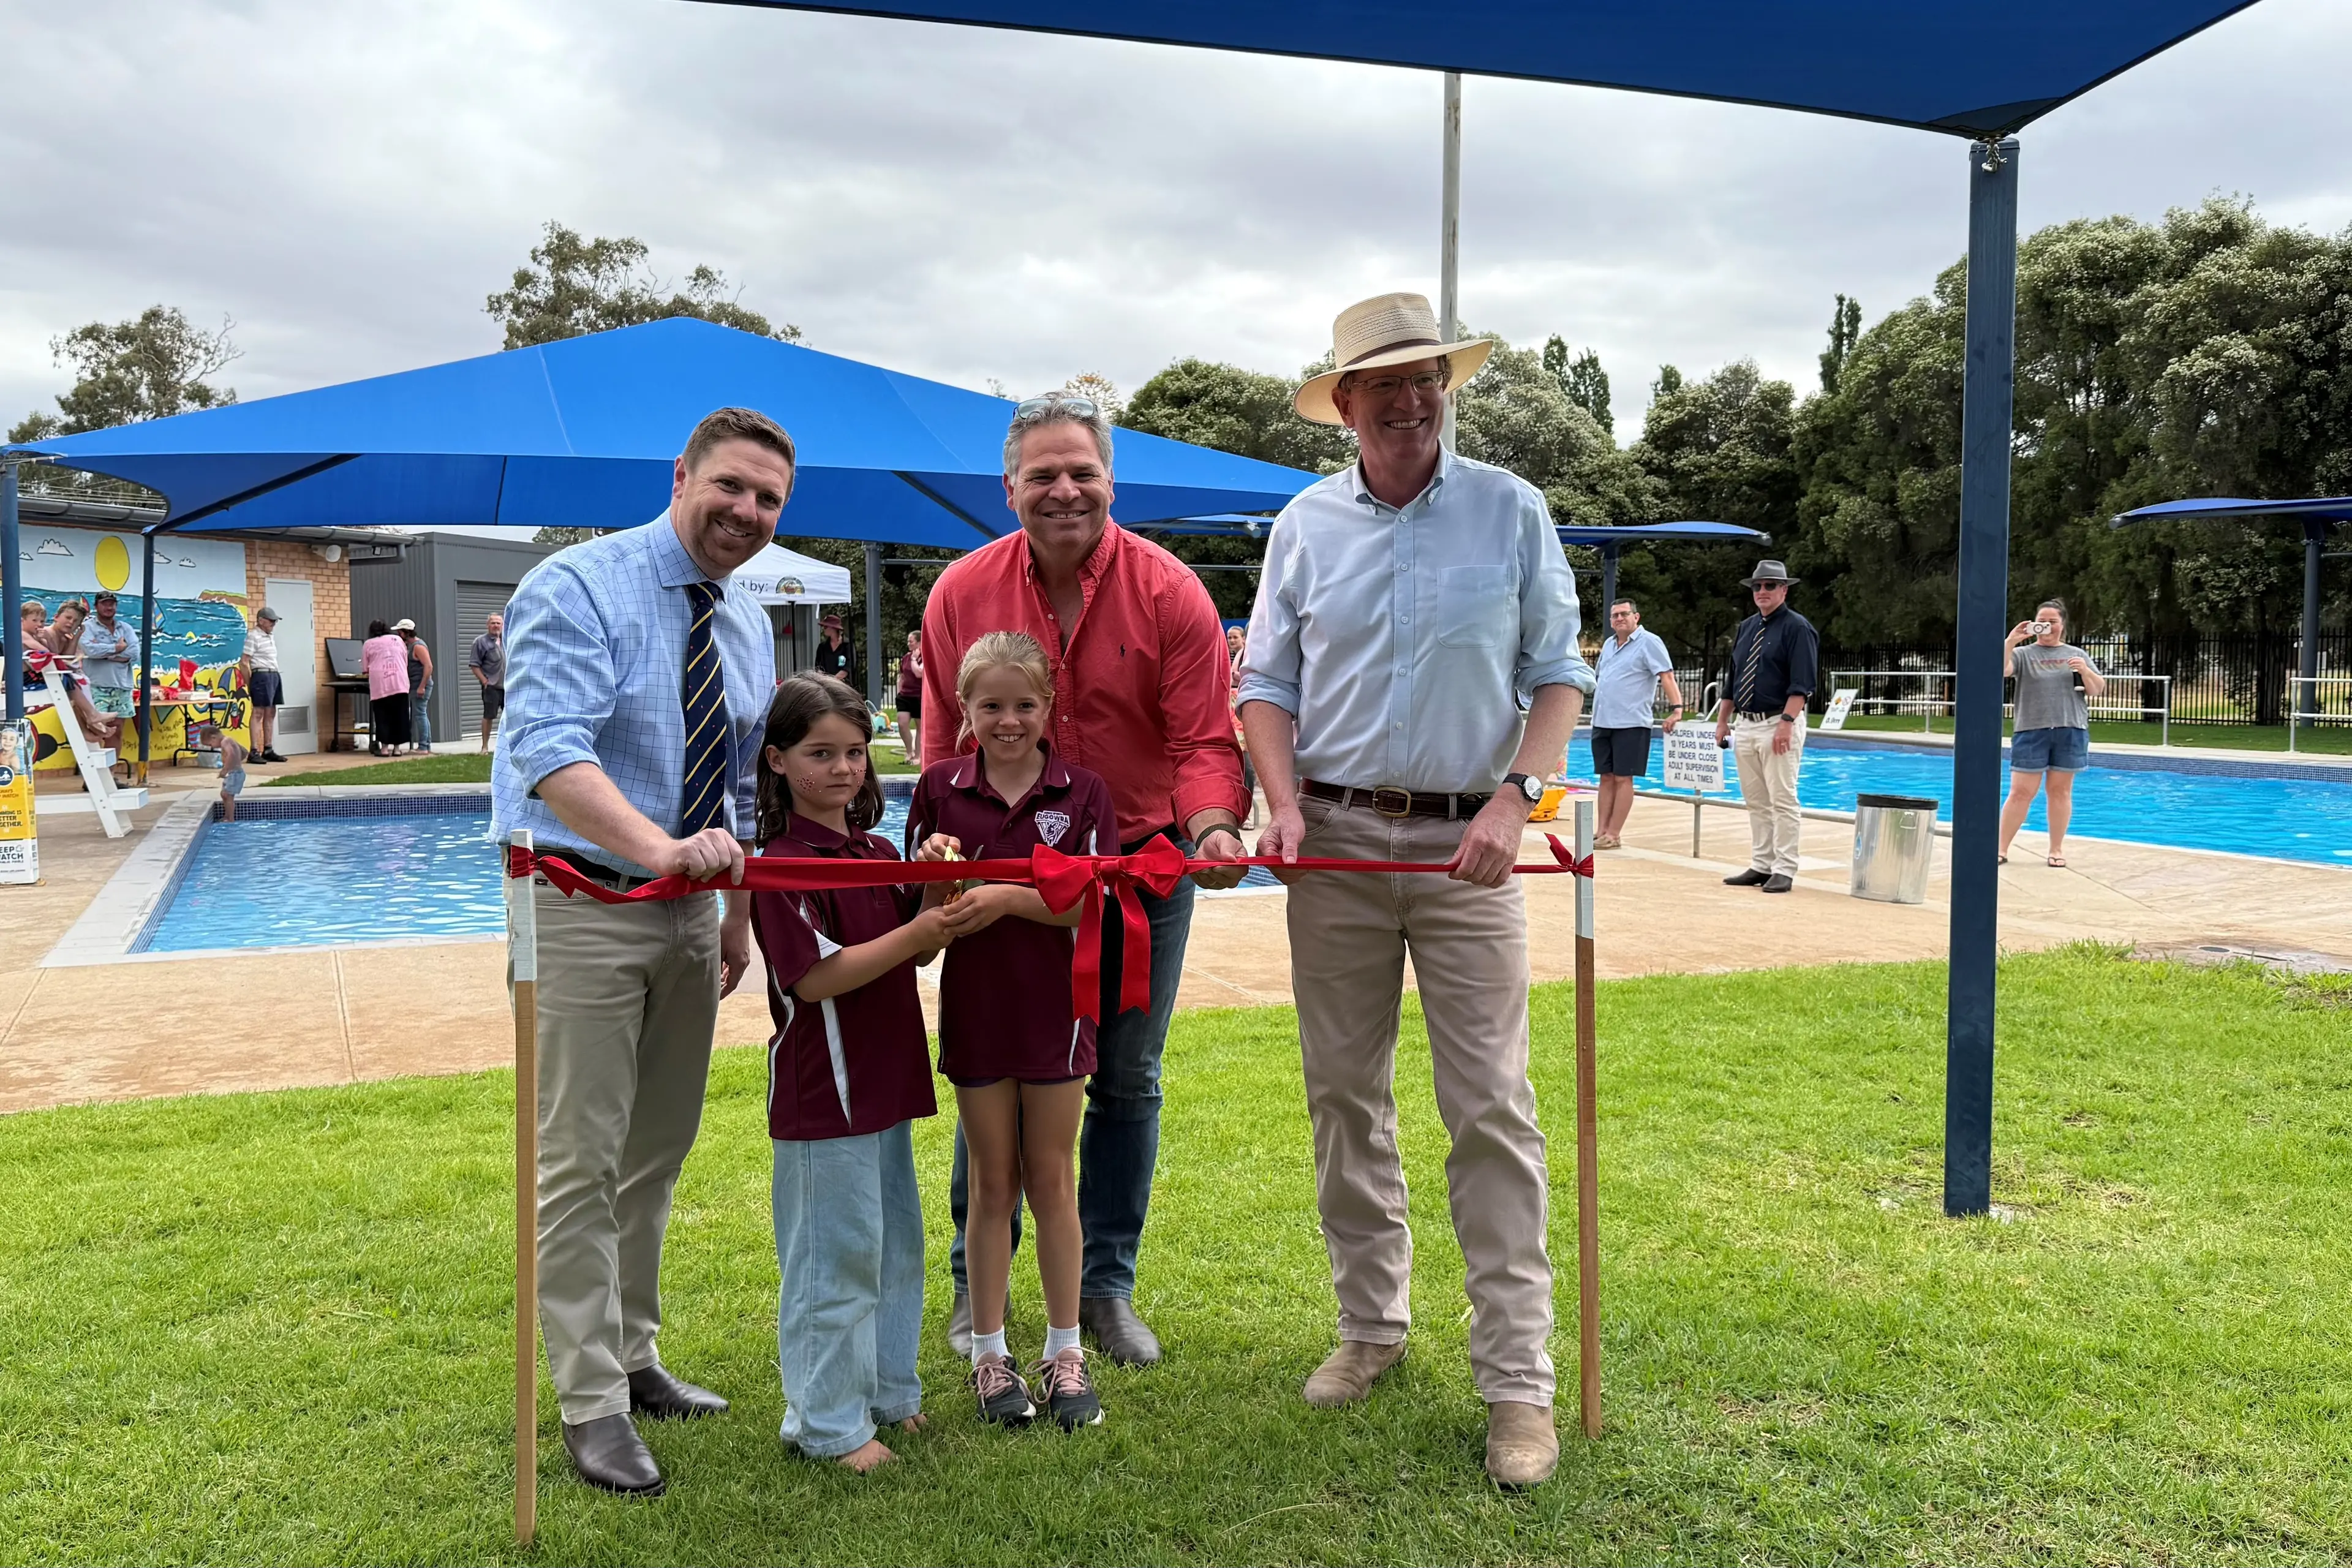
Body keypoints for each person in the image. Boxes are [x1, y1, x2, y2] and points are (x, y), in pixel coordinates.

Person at [1240, 290, 1594, 1488]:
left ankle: (1518, 1386)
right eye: (1383, 381)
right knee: (1345, 1096)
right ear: (1344, 403)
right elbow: (1265, 689)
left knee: (1491, 1105)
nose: (1409, 396)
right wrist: (1280, 804)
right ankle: (1372, 1325)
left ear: (1447, 384)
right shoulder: (1303, 524)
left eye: (1426, 374)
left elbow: (1557, 678)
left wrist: (1515, 801)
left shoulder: (1511, 509)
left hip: (1470, 853)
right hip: (1332, 845)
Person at [491, 406, 788, 1497]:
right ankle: (590, 1404)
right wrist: (662, 852)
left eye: (767, 501)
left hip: (692, 916)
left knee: (655, 1151)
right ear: (682, 476)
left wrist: (739, 917)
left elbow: (746, 783)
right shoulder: (577, 587)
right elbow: (549, 750)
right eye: (732, 489)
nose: (747, 514)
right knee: (579, 1158)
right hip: (580, 899)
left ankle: (634, 1352)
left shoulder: (747, 621)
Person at [919, 390, 1249, 1368]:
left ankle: (1105, 1288)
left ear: (1111, 479)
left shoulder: (1171, 590)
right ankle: (973, 1288)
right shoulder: (959, 594)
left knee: (1126, 1079)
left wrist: (1217, 826)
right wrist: (936, 858)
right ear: (1009, 486)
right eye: (1043, 475)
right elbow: (945, 745)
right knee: (988, 1068)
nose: (1065, 491)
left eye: (1083, 472)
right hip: (1001, 874)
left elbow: (1202, 739)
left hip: (1138, 874)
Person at [908, 631, 1118, 1432]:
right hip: (977, 1009)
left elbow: (1088, 902)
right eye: (991, 705)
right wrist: (940, 871)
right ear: (965, 709)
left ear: (1048, 707)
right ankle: (989, 1355)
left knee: (1052, 1179)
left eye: (1024, 704)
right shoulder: (938, 791)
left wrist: (1000, 896)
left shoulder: (1082, 792)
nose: (1008, 720)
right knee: (991, 1187)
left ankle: (1065, 1352)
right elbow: (927, 917)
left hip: (1057, 1015)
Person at [751, 672, 954, 1473]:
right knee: (830, 1264)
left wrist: (939, 875)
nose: (843, 769)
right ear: (776, 761)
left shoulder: (873, 852)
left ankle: (889, 1393)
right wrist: (922, 929)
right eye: (820, 753)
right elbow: (817, 977)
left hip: (887, 1081)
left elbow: (923, 940)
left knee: (895, 1251)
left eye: (856, 754)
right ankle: (828, 1424)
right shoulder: (781, 865)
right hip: (822, 1095)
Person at [1713, 560, 1819, 895]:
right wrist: (1722, 721)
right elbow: (1733, 679)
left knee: (1783, 799)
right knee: (1756, 799)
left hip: (1778, 721)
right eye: (1758, 587)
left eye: (1770, 586)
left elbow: (1802, 683)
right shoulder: (1746, 628)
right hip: (1746, 724)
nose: (1762, 592)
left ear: (1784, 590)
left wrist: (1787, 724)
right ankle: (1762, 863)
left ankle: (1784, 868)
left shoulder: (1797, 628)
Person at [2000, 598, 2105, 868]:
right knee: (2021, 792)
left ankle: (2056, 849)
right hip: (2031, 729)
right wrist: (2011, 640)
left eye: (2052, 622)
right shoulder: (2023, 654)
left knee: (2060, 792)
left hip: (2070, 729)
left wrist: (2084, 670)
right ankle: (2000, 848)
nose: (2047, 626)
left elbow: (2097, 689)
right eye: (2042, 621)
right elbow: (2000, 670)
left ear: (2062, 625)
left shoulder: (2077, 654)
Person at [1588, 598, 1683, 849]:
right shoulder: (1608, 645)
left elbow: (1667, 675)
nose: (1619, 619)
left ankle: (1614, 834)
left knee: (1623, 778)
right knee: (1606, 777)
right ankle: (1601, 830)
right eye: (1614, 616)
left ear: (1636, 617)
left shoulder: (1649, 643)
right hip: (1603, 721)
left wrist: (1677, 710)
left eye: (1624, 614)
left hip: (1631, 723)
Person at [20, 600, 122, 752]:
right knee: (71, 683)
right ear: (56, 617)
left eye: (75, 622)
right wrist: (43, 640)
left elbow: (65, 659)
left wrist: (76, 637)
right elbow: (53, 656)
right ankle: (94, 720)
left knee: (74, 689)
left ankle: (91, 725)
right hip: (26, 678)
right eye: (68, 618)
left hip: (43, 676)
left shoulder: (59, 636)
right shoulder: (39, 633)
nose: (71, 623)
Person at [80, 591, 141, 734]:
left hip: (122, 686)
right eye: (104, 604)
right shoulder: (87, 627)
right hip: (97, 686)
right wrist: (117, 648)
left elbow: (134, 653)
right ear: (96, 606)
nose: (109, 607)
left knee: (117, 731)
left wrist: (106, 654)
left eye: (112, 604)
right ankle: (97, 758)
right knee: (97, 729)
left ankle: (114, 758)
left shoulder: (126, 628)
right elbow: (90, 651)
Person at [241, 606, 288, 763]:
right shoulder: (253, 636)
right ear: (261, 621)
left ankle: (268, 749)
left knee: (271, 712)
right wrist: (250, 684)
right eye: (271, 621)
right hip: (261, 675)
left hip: (273, 674)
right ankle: (253, 751)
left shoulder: (270, 636)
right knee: (258, 712)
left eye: (275, 621)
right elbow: (244, 662)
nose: (274, 623)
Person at [360, 620, 411, 756]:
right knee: (399, 717)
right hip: (400, 683)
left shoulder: (368, 644)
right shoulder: (398, 639)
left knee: (383, 718)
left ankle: (384, 749)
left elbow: (365, 669)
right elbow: (405, 661)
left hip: (380, 685)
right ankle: (397, 749)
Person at [396, 618, 435, 753]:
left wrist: (422, 686)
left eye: (400, 632)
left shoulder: (418, 646)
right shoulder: (410, 646)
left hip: (420, 685)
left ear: (405, 632)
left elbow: (429, 666)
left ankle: (424, 746)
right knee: (420, 714)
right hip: (414, 684)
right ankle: (426, 745)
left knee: (420, 714)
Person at [470, 611, 505, 752]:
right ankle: (485, 747)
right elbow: (474, 664)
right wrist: (485, 681)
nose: (496, 625)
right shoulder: (481, 642)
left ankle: (508, 747)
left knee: (512, 717)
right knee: (489, 716)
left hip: (509, 686)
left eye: (499, 623)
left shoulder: (507, 640)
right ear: (488, 625)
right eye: (493, 623)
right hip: (492, 686)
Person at [894, 628, 924, 757]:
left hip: (919, 696)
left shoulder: (924, 657)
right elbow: (902, 675)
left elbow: (919, 673)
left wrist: (914, 659)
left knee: (920, 728)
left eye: (911, 641)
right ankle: (909, 752)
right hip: (905, 696)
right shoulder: (906, 657)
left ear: (918, 643)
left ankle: (917, 756)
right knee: (902, 723)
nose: (909, 644)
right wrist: (899, 690)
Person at [813, 613, 855, 684]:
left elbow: (848, 668)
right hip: (826, 686)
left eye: (826, 627)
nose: (823, 629)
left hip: (844, 686)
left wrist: (833, 681)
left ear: (833, 628)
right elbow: (818, 668)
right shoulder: (822, 647)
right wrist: (825, 680)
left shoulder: (847, 645)